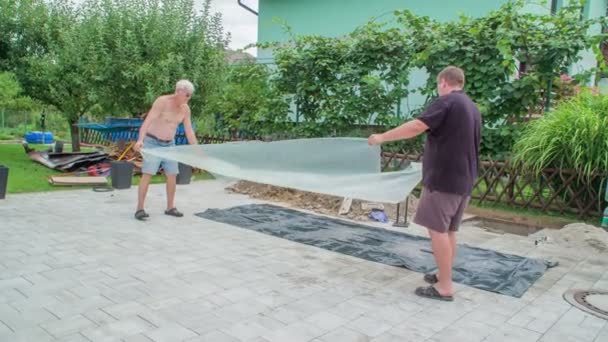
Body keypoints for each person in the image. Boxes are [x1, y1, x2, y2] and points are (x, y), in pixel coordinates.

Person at [368, 66, 481, 301]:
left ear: (443, 82)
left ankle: (445, 287)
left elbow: (417, 126)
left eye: (438, 85)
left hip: (444, 180)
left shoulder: (447, 102)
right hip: (464, 179)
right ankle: (443, 276)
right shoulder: (471, 107)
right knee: (449, 230)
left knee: (437, 231)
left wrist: (382, 137)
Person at [133, 80, 198, 221]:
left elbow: (189, 131)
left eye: (190, 96)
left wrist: (197, 150)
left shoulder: (185, 109)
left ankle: (170, 207)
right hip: (152, 142)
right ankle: (140, 209)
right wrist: (140, 140)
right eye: (187, 95)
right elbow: (148, 121)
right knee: (147, 174)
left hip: (170, 145)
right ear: (179, 91)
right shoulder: (162, 102)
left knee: (172, 175)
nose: (188, 98)